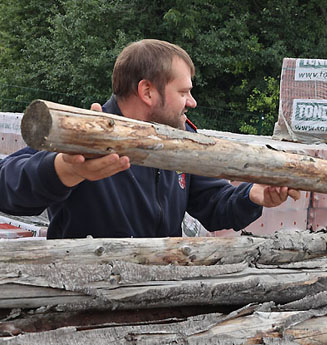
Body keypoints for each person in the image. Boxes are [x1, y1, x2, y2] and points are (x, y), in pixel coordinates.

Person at [0, 39, 299, 239]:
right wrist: (65, 168)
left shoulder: (182, 142)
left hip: (156, 300)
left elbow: (214, 204)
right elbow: (7, 185)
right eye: (183, 92)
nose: (192, 102)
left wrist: (252, 195)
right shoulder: (87, 134)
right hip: (85, 304)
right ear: (147, 92)